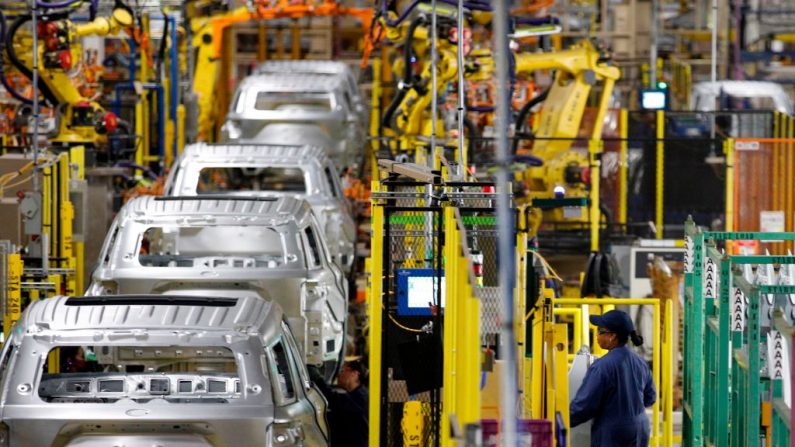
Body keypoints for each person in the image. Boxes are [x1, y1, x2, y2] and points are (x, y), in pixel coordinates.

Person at [570, 310, 657, 447]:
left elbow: (584, 406)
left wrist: (560, 420)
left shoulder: (602, 367)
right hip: (640, 428)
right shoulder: (640, 362)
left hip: (614, 431)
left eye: (600, 331)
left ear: (612, 336)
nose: (597, 335)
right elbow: (650, 397)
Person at [311, 360, 369, 447]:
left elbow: (332, 398)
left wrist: (317, 378)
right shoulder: (358, 395)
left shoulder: (361, 398)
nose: (339, 375)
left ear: (355, 374)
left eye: (343, 371)